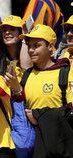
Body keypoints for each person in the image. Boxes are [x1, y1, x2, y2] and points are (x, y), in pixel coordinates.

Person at [10, 24, 73, 158]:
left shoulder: (65, 72)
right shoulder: (27, 75)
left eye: (36, 45)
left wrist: (39, 116)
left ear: (50, 47)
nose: (31, 50)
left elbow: (70, 111)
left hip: (61, 146)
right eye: (29, 46)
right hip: (35, 147)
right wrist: (16, 89)